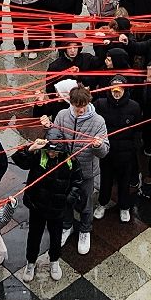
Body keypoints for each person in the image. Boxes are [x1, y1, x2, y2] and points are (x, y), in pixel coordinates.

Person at [43, 84, 109, 255]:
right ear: (70, 102)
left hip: (86, 172)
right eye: (76, 106)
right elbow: (54, 140)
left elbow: (104, 152)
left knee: (86, 204)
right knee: (65, 200)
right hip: (65, 169)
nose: (80, 110)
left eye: (83, 107)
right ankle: (67, 225)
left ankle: (85, 231)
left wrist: (98, 146)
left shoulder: (98, 121)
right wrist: (48, 129)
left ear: (88, 102)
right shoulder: (62, 115)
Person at [13, 134, 80, 282]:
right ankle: (30, 262)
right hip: (37, 207)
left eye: (54, 151)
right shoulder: (38, 156)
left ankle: (54, 261)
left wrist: (67, 200)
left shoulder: (70, 161)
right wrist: (31, 149)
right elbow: (18, 160)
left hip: (57, 208)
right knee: (34, 236)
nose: (51, 153)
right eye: (49, 150)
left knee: (56, 237)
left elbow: (77, 181)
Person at [92, 81, 142, 224]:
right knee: (106, 180)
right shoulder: (100, 104)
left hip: (126, 154)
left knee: (124, 181)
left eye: (119, 89)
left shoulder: (134, 106)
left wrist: (134, 148)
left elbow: (138, 129)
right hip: (107, 152)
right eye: (114, 88)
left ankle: (124, 207)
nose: (116, 92)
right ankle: (102, 203)